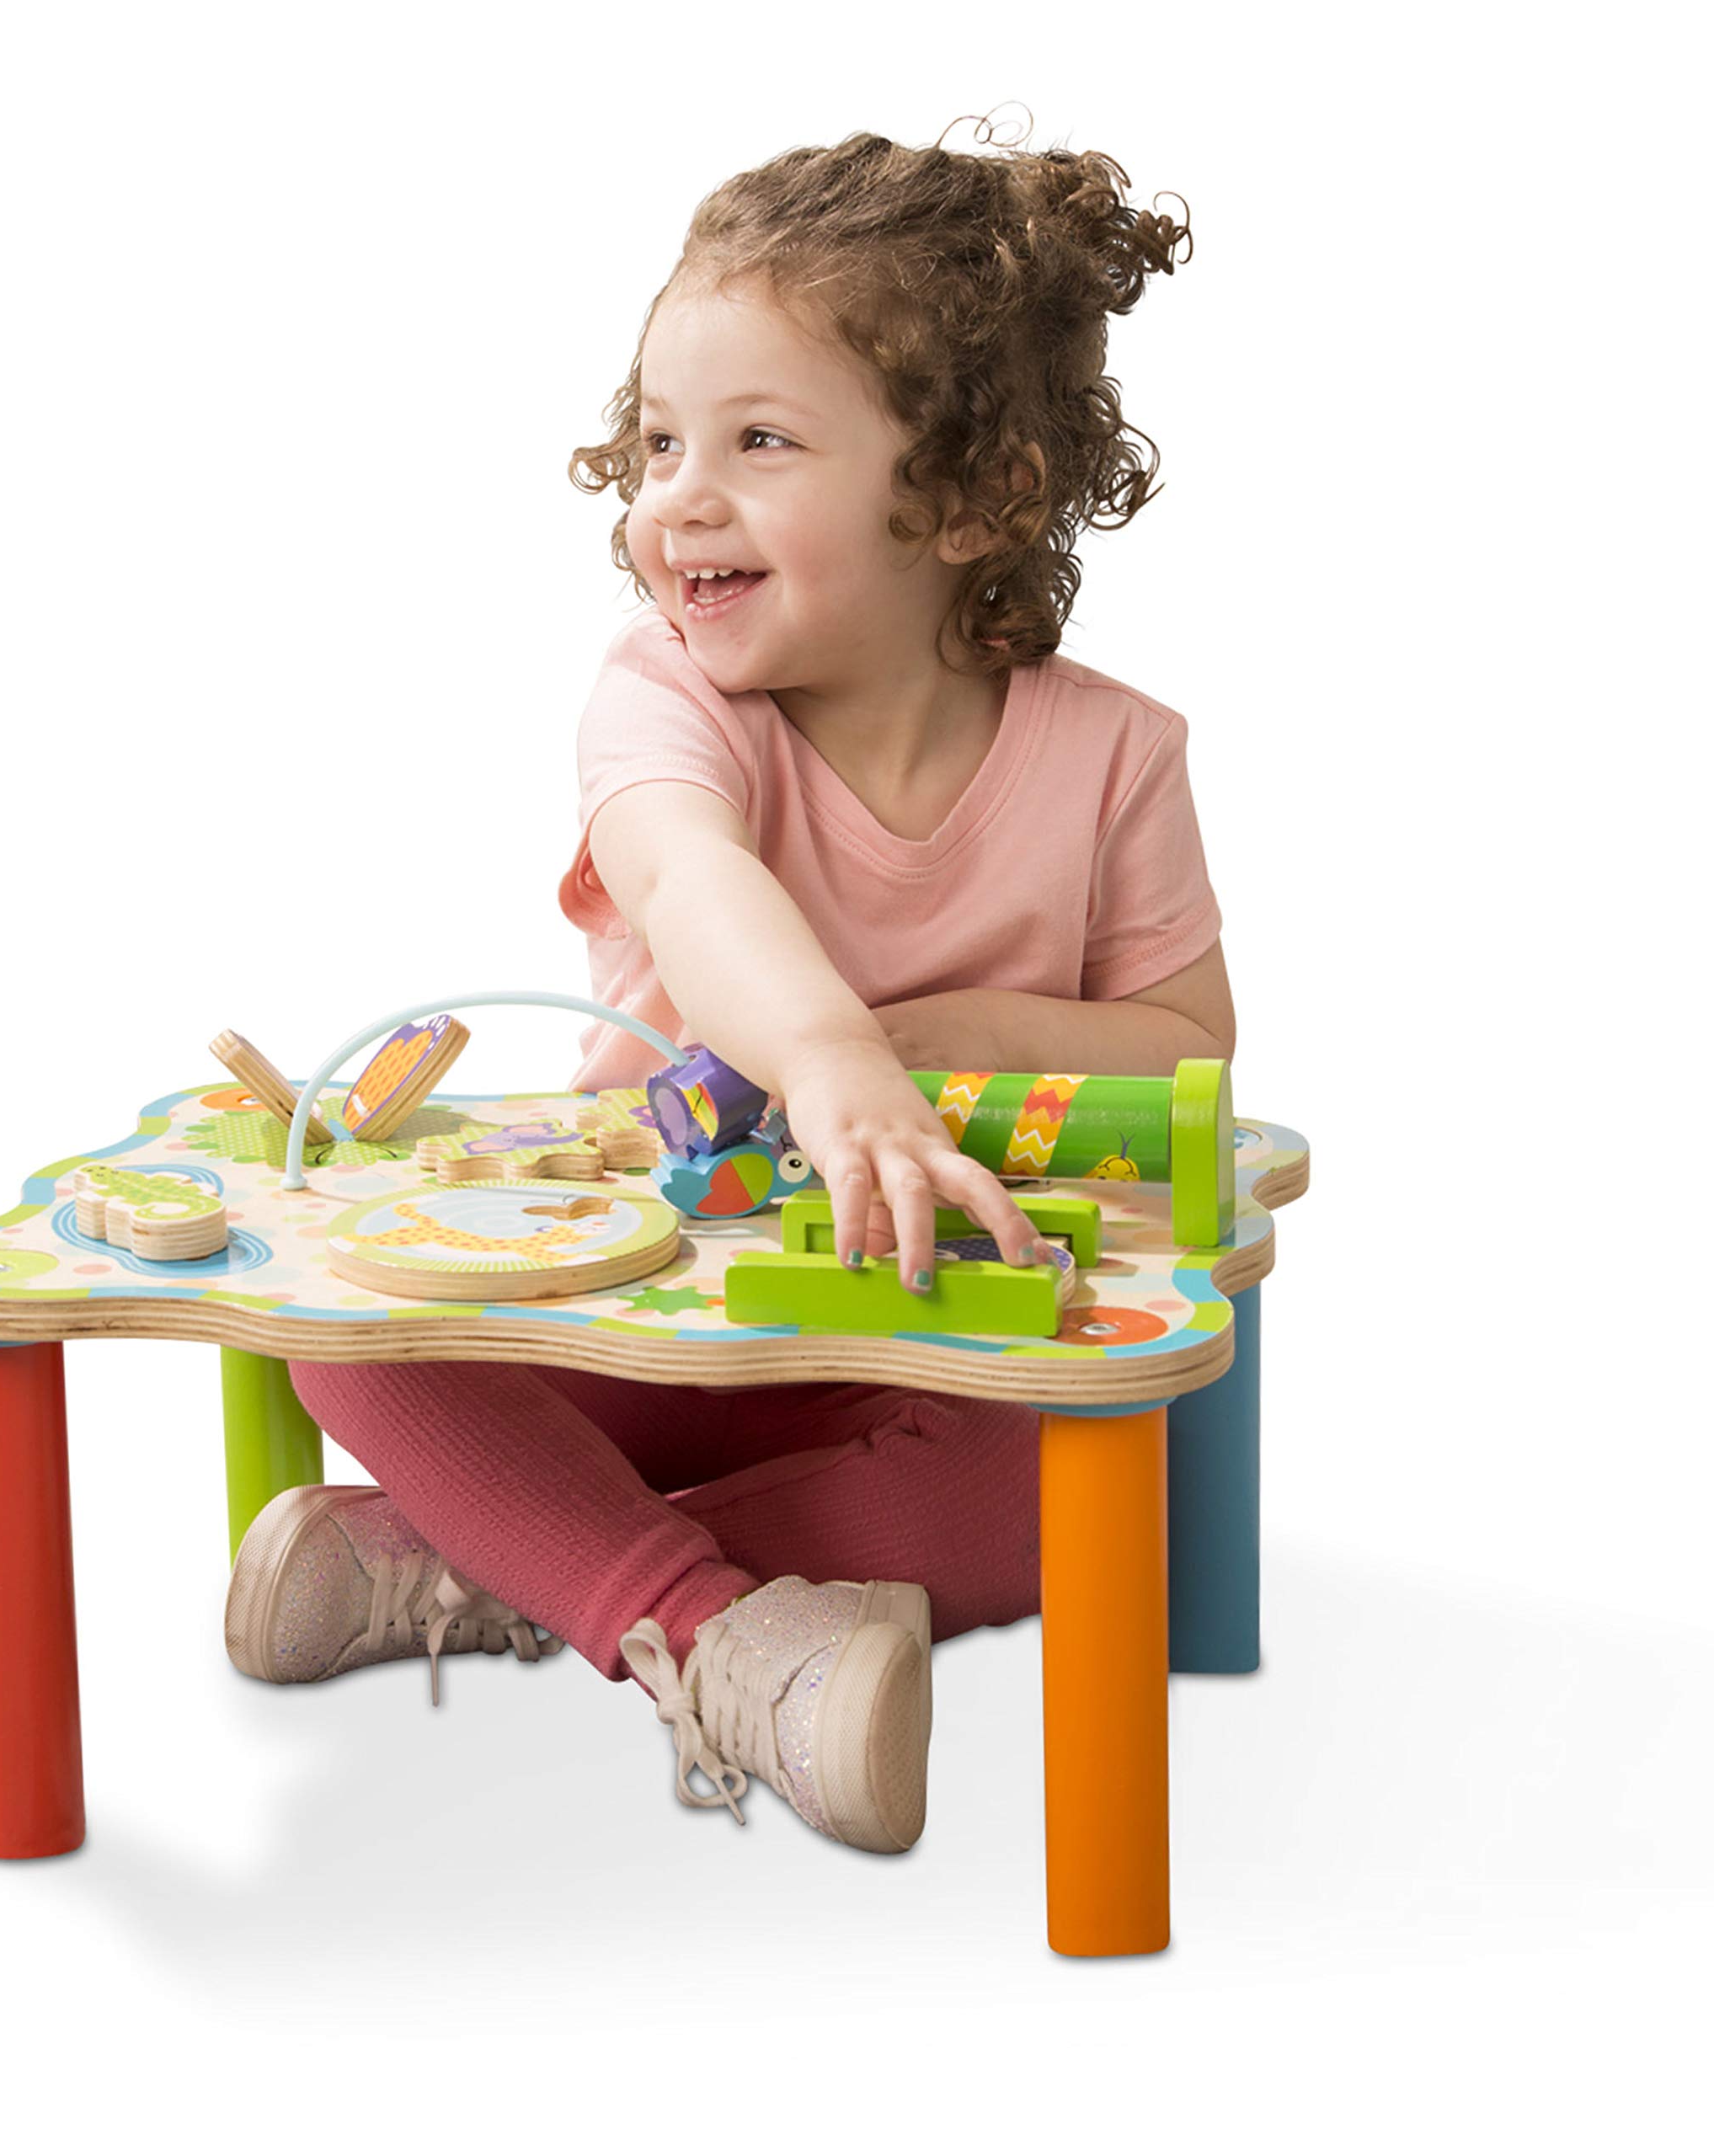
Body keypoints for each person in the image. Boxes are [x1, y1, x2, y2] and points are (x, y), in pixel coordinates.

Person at [225, 122, 1234, 1856]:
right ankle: (711, 1636)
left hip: (933, 1328)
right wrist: (827, 1058)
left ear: (975, 494)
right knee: (352, 1335)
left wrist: (933, 1047)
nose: (675, 496)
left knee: (1072, 1487)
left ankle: (494, 1560)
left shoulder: (1114, 756)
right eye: (657, 440)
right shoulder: (660, 701)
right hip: (646, 1311)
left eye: (758, 442)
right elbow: (694, 885)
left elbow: (1187, 1048)